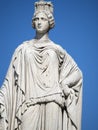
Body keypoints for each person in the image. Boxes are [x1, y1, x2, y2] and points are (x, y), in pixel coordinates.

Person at [0, 0, 83, 130]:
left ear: (50, 23)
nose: (39, 21)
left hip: (53, 101)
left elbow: (77, 73)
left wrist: (65, 83)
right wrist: (2, 98)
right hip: (29, 102)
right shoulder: (22, 49)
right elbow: (10, 80)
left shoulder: (56, 49)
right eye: (37, 19)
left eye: (43, 19)